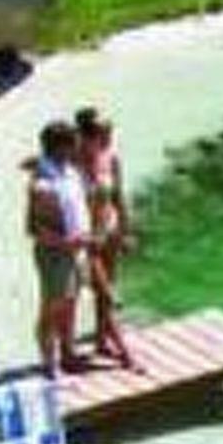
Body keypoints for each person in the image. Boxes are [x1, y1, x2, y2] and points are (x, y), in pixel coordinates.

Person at [24, 120, 91, 378]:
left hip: (76, 249)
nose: (77, 147)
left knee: (71, 303)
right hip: (56, 253)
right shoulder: (42, 184)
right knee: (52, 307)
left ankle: (68, 353)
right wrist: (67, 243)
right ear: (61, 147)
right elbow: (34, 228)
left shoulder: (69, 171)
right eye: (73, 143)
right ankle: (49, 362)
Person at [74, 107, 136, 368]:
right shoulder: (72, 163)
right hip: (85, 238)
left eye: (110, 133)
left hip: (108, 232)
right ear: (86, 136)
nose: (109, 139)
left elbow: (118, 196)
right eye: (103, 134)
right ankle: (125, 354)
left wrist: (126, 230)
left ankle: (102, 340)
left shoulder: (110, 159)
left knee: (106, 290)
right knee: (106, 293)